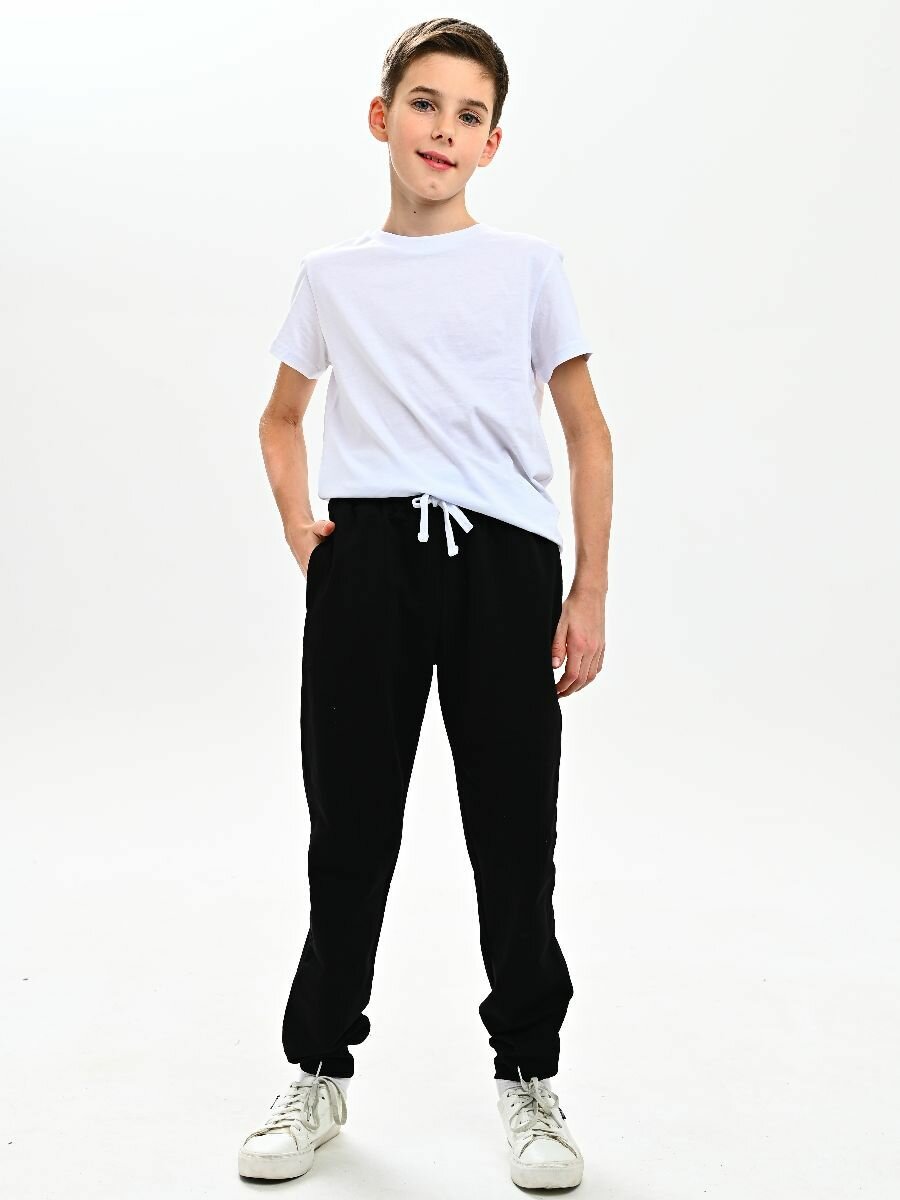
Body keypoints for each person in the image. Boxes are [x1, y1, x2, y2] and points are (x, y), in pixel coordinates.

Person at [238, 17, 612, 1191]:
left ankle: (529, 1076)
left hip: (504, 565)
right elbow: (281, 417)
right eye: (424, 103)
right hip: (368, 565)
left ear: (493, 142)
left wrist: (588, 588)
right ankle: (317, 1069)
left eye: (468, 114)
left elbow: (587, 432)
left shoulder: (529, 267)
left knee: (514, 834)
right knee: (350, 832)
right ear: (381, 116)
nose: (443, 129)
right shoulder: (332, 277)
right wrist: (303, 529)